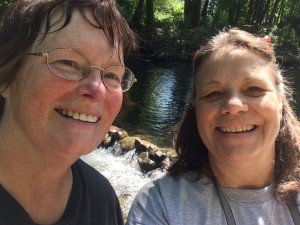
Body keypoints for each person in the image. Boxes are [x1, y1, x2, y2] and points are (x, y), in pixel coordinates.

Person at [126, 28, 300, 225]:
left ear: (280, 102)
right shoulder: (159, 204)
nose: (233, 105)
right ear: (196, 110)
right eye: (213, 93)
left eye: (254, 89)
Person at [0, 0, 137, 224]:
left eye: (112, 75)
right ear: (6, 76)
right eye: (69, 62)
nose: (97, 89)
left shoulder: (102, 201)